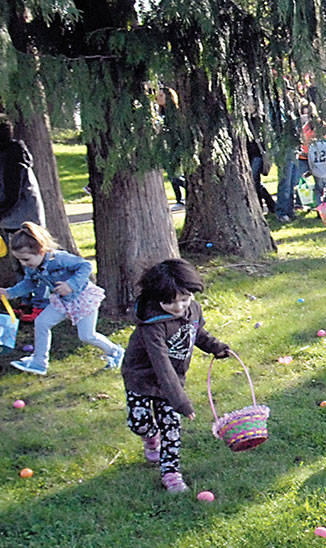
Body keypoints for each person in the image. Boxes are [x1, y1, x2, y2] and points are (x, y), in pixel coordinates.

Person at [120, 258, 231, 493]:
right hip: (141, 378)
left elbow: (197, 332)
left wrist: (216, 346)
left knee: (171, 425)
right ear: (156, 297)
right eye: (170, 302)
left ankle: (170, 472)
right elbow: (160, 363)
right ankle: (151, 437)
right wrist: (180, 400)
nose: (179, 307)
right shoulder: (152, 324)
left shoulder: (193, 309)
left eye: (184, 299)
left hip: (173, 381)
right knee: (138, 422)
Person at [3, 222, 123, 376]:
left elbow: (85, 266)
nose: (24, 264)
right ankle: (39, 362)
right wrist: (10, 292)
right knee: (41, 322)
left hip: (83, 299)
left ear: (40, 250)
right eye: (20, 260)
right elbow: (29, 283)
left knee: (87, 336)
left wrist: (71, 285)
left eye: (26, 259)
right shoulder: (32, 267)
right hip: (62, 301)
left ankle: (116, 351)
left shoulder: (59, 259)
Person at [0, 116, 44, 238]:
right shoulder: (7, 155)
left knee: (24, 254)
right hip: (13, 221)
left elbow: (11, 195)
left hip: (20, 223)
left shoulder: (12, 158)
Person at [305, 122, 326, 210]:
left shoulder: (312, 146)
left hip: (317, 171)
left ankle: (319, 207)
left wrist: (311, 170)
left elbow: (310, 160)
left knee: (318, 190)